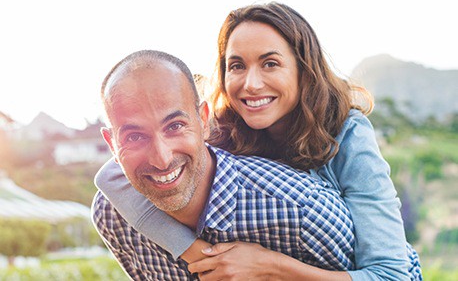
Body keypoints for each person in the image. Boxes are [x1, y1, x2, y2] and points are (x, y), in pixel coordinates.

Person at [95, 2, 422, 280]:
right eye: (236, 66)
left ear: (303, 69)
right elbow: (111, 176)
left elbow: (390, 274)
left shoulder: (347, 133)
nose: (250, 84)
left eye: (270, 64)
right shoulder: (220, 125)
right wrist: (197, 254)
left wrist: (270, 266)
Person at [92, 49, 357, 280]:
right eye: (135, 136)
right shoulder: (112, 216)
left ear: (204, 120)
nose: (161, 159)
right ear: (112, 144)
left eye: (175, 126)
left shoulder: (303, 211)